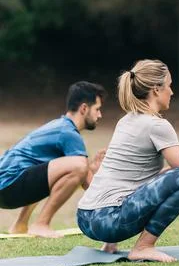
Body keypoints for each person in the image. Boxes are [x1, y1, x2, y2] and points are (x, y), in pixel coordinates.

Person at [77, 59, 179, 262]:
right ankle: (143, 247)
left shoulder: (126, 120)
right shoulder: (157, 125)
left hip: (85, 218)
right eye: (169, 85)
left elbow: (138, 179)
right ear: (156, 90)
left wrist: (173, 169)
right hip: (107, 220)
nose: (172, 92)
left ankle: (110, 244)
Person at [0, 81, 107, 238]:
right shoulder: (68, 133)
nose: (100, 115)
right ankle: (41, 224)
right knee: (78, 166)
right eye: (97, 109)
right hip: (9, 185)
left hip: (6, 187)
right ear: (84, 108)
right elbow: (86, 180)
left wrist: (89, 171)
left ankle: (20, 225)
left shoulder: (59, 125)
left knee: (52, 168)